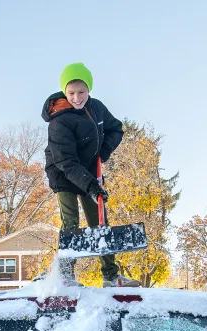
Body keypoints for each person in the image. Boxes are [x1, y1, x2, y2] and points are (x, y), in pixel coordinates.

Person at [42, 62, 140, 287]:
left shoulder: (97, 107)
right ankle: (65, 277)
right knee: (71, 223)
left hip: (89, 170)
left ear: (89, 90)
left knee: (99, 221)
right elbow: (66, 161)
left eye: (82, 92)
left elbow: (116, 128)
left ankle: (111, 276)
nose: (77, 98)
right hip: (63, 172)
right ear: (64, 92)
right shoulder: (59, 120)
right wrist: (91, 186)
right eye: (71, 93)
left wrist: (102, 153)